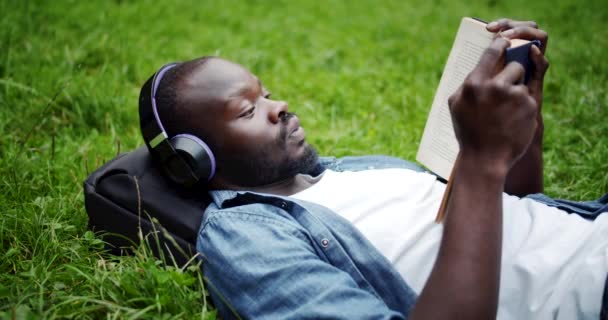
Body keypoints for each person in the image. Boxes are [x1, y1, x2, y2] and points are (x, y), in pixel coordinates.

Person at [142, 18, 608, 319]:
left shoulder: (355, 171)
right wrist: (481, 162)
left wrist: (525, 117)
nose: (279, 106)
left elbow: (516, 212)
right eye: (246, 111)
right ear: (195, 159)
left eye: (265, 93)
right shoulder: (244, 235)